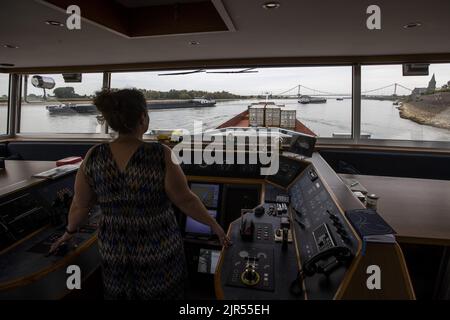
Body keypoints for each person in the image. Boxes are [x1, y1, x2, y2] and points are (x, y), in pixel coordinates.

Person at [50, 89, 230, 299]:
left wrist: (69, 233)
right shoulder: (160, 154)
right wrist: (214, 225)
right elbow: (185, 200)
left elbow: (80, 205)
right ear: (143, 117)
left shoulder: (94, 155)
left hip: (114, 248)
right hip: (158, 247)